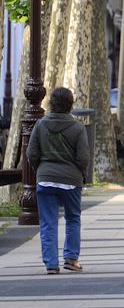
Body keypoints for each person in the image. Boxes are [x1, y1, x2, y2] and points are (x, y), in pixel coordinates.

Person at [27, 87, 89, 274]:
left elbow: (32, 153)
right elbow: (83, 158)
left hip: (45, 179)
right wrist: (79, 174)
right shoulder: (77, 128)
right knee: (73, 219)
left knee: (48, 222)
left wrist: (41, 171)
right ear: (70, 105)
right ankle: (71, 258)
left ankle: (51, 263)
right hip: (71, 180)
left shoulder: (40, 125)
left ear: (51, 103)